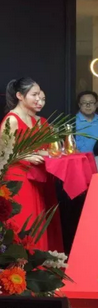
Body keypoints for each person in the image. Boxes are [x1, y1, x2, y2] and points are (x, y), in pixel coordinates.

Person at [0, 78, 62, 252]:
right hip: (18, 178)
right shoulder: (11, 119)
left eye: (40, 96)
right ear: (20, 96)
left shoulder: (38, 120)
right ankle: (19, 264)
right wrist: (26, 156)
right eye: (34, 95)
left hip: (37, 176)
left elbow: (43, 149)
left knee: (38, 223)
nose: (38, 99)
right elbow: (3, 153)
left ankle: (36, 263)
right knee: (23, 221)